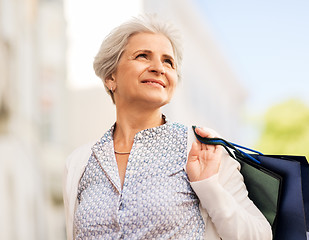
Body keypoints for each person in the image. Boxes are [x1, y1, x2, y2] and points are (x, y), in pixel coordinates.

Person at [63, 15, 272, 240]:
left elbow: (260, 235)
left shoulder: (199, 148)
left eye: (168, 62)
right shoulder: (80, 162)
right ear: (110, 77)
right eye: (143, 56)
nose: (158, 68)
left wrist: (208, 187)